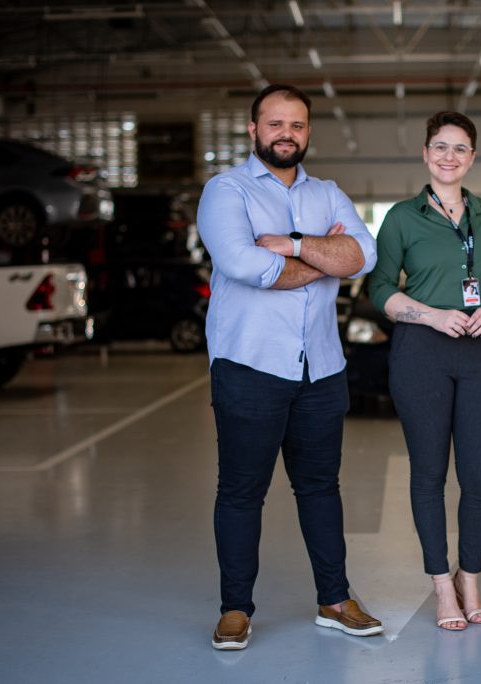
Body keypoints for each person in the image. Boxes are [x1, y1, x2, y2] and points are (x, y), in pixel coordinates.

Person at [197, 84, 382, 650]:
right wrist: (325, 258)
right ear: (254, 129)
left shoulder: (327, 192)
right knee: (241, 492)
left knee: (321, 487)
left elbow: (365, 255)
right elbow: (243, 264)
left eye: (297, 125)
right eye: (275, 123)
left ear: (307, 132)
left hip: (320, 368)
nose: (286, 134)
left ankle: (335, 599)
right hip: (249, 366)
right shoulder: (226, 190)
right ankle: (235, 608)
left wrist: (293, 243)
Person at [368, 111, 481, 631]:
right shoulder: (401, 218)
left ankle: (469, 578)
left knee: (480, 476)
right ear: (425, 154)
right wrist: (431, 315)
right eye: (440, 146)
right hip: (421, 354)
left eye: (459, 148)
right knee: (429, 474)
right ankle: (440, 585)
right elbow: (379, 288)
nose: (448, 156)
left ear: (472, 158)